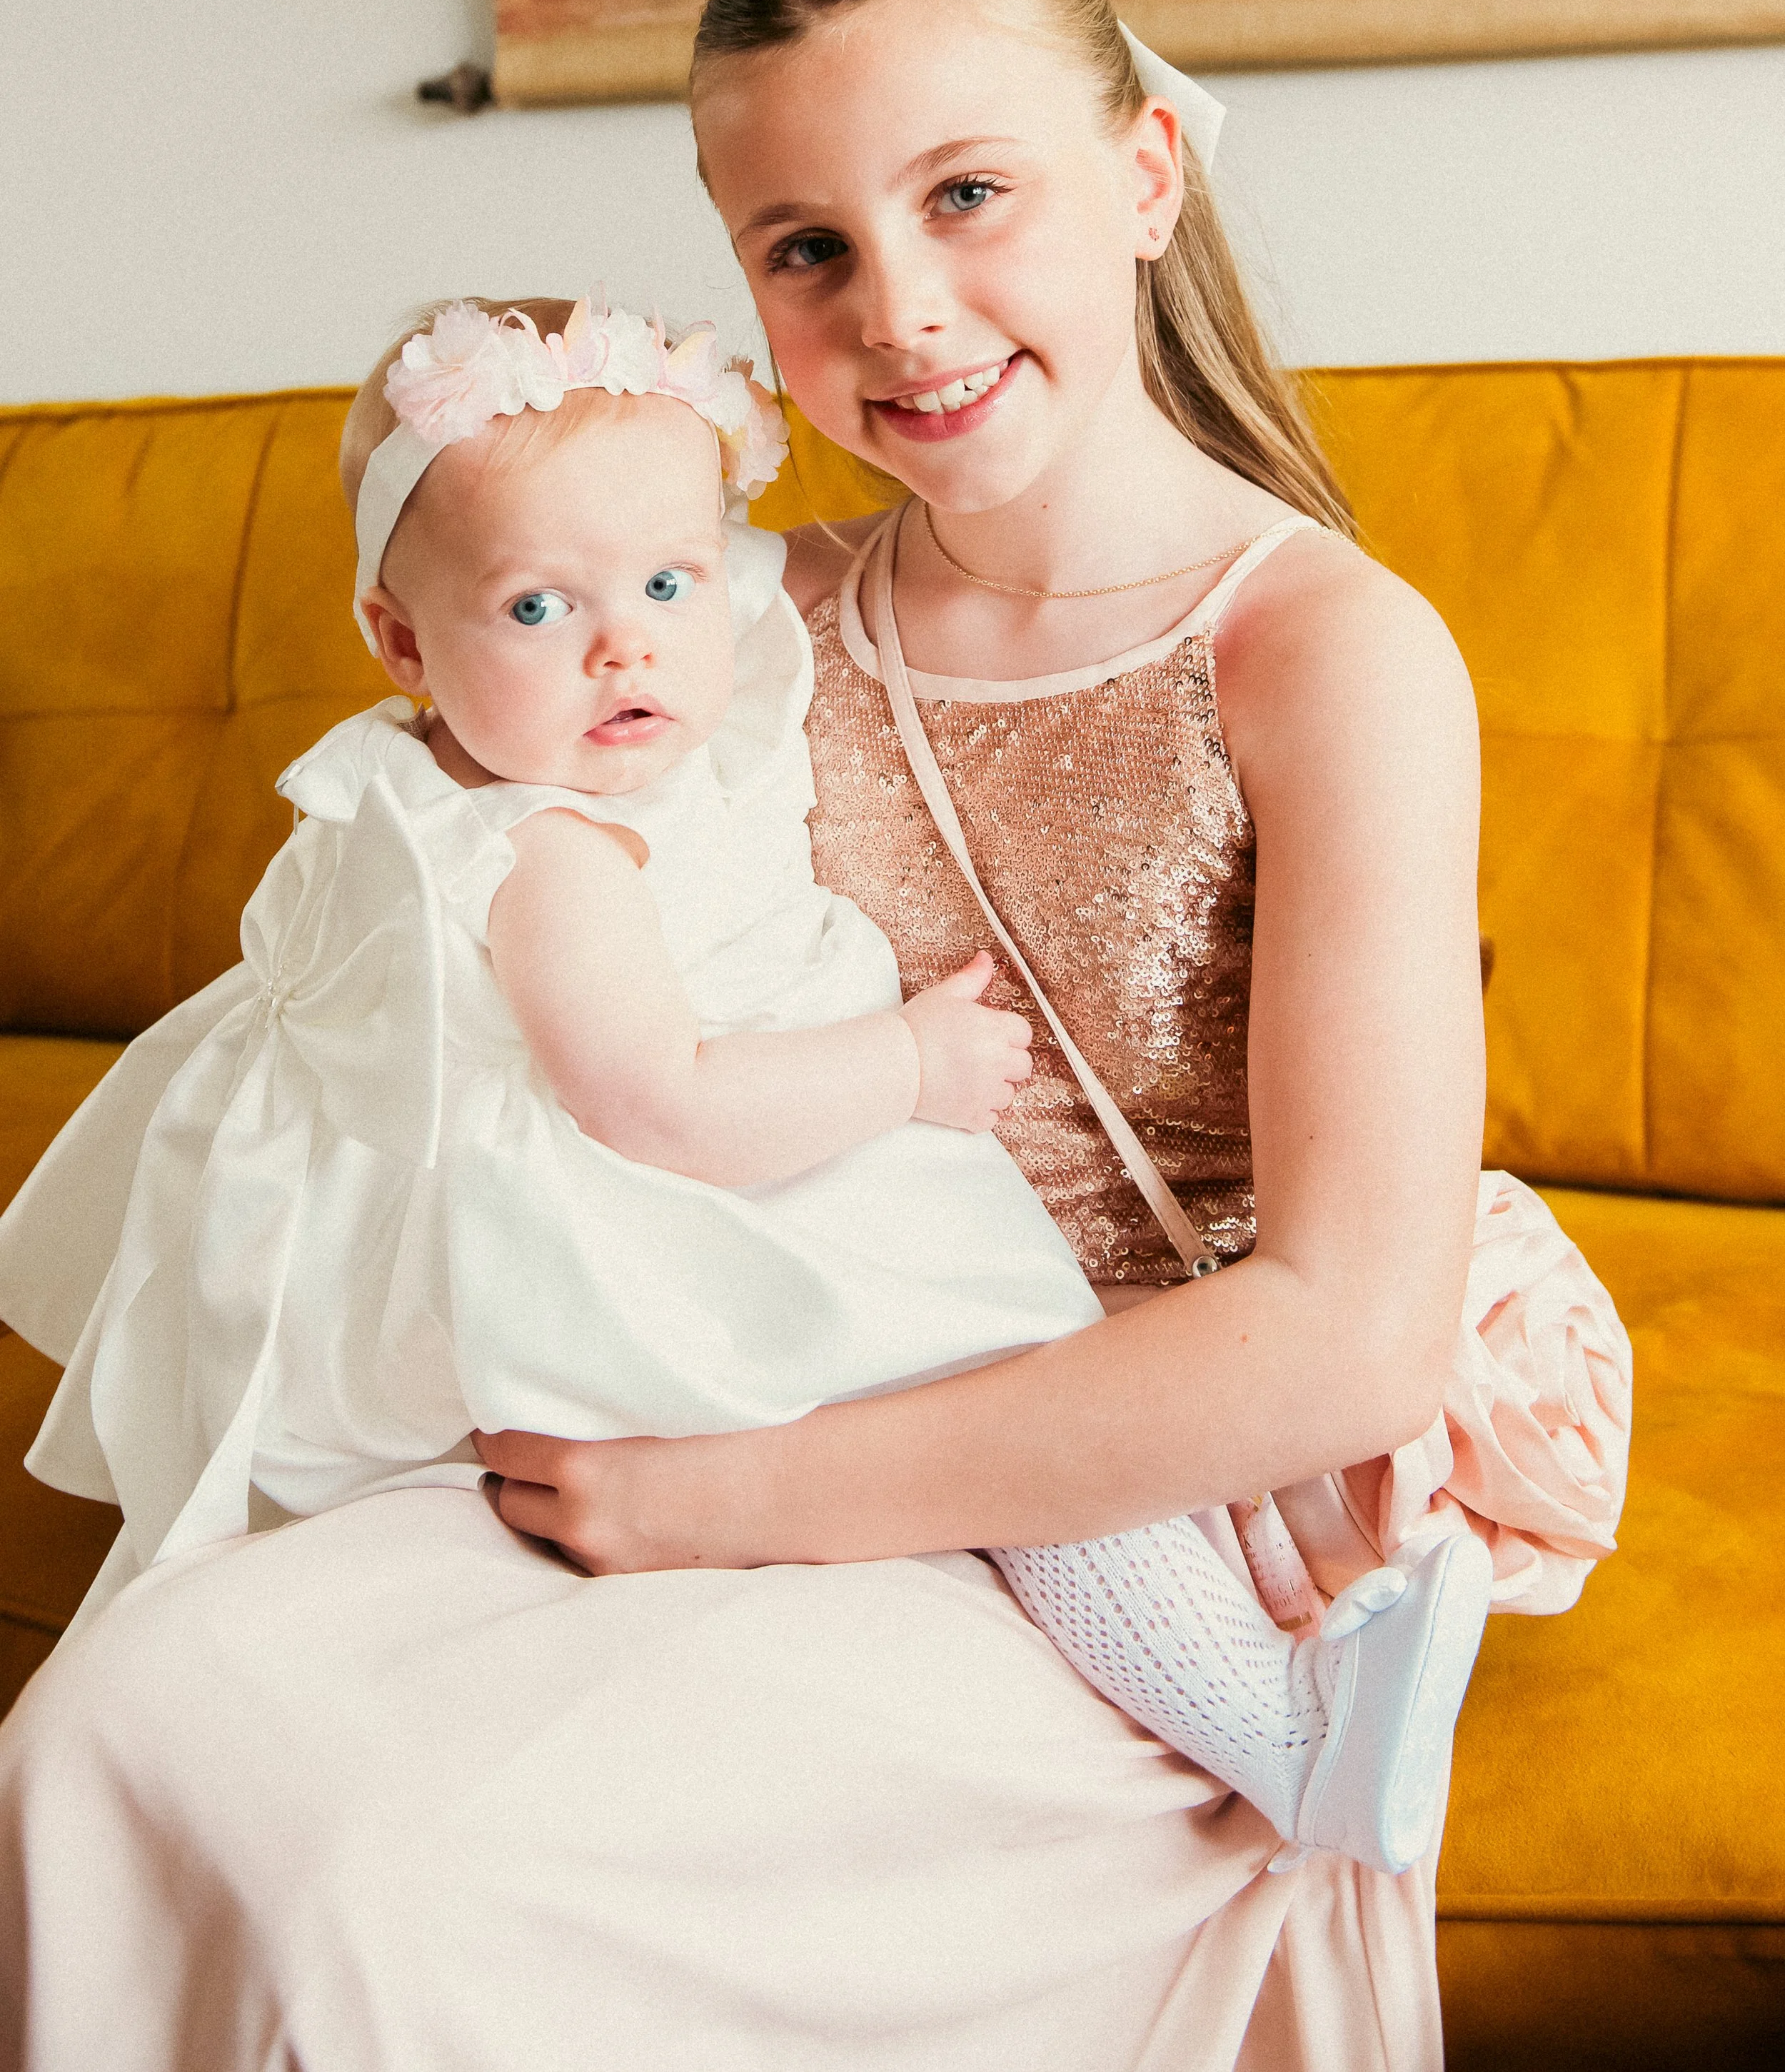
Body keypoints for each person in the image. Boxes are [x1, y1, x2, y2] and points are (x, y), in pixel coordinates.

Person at [0, 0, 1630, 2071]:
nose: (901, 308)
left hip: (1097, 1499)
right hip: (750, 1330)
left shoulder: (1327, 650)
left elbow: (1340, 1337)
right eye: (802, 247)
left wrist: (723, 1502)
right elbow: (478, 828)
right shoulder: (728, 613)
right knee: (118, 1724)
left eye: (968, 193)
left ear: (1144, 173)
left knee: (397, 1890)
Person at [9, 288, 1494, 1879]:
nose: (624, 644)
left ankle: (1274, 1720)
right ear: (399, 642)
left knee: (1020, 1447)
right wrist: (907, 1065)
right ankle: (1281, 1731)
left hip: (699, 1221)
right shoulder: (545, 844)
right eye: (535, 611)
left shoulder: (602, 738)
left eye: (665, 582)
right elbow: (659, 1097)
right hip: (694, 1233)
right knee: (1008, 1418)